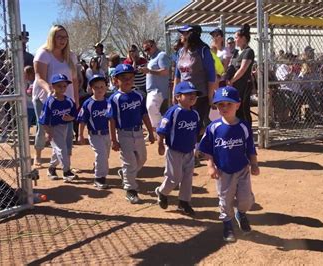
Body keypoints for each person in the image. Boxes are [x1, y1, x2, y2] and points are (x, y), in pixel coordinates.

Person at [199, 86, 259, 242]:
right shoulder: (214, 127)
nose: (224, 107)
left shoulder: (244, 126)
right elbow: (207, 149)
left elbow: (250, 147)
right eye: (221, 104)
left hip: (242, 169)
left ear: (238, 105)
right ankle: (227, 224)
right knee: (225, 200)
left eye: (229, 104)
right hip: (223, 171)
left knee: (246, 200)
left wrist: (254, 164)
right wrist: (210, 165)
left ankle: (241, 213)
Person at [32, 25, 79, 167]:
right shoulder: (43, 53)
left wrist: (76, 100)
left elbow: (75, 80)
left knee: (67, 130)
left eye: (65, 37)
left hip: (66, 99)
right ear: (52, 37)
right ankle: (38, 154)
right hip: (44, 98)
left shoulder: (71, 56)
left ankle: (66, 163)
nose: (63, 40)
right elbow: (39, 77)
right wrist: (49, 90)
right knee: (44, 128)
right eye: (59, 37)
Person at [108, 64, 155, 204]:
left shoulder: (138, 96)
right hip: (124, 134)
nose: (127, 80)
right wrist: (113, 139)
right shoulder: (115, 98)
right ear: (116, 80)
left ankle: (125, 174)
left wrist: (151, 132)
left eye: (130, 77)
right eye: (123, 78)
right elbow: (111, 119)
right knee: (129, 163)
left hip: (139, 132)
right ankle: (130, 189)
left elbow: (144, 114)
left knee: (142, 159)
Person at [155, 81, 201, 216]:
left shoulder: (195, 114)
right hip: (174, 150)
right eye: (188, 94)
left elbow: (196, 132)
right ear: (177, 97)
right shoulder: (174, 112)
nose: (192, 96)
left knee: (187, 177)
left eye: (194, 94)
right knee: (174, 177)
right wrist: (160, 144)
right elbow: (162, 129)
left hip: (189, 151)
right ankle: (162, 192)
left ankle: (184, 202)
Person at [174, 24, 216, 136]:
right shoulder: (181, 51)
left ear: (191, 34)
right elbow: (177, 75)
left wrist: (210, 97)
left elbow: (212, 76)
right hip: (183, 96)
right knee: (185, 125)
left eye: (184, 33)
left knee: (197, 128)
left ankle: (198, 150)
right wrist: (175, 94)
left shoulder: (203, 51)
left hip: (199, 97)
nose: (181, 35)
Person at [39, 74, 78, 181]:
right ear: (53, 86)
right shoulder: (50, 101)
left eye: (64, 86)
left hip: (65, 127)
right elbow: (43, 119)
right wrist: (48, 132)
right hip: (53, 128)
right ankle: (66, 171)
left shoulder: (68, 101)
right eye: (59, 86)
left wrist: (70, 118)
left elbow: (75, 114)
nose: (62, 88)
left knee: (57, 150)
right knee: (62, 149)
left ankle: (51, 168)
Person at [77, 74, 111, 189]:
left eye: (102, 87)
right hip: (95, 134)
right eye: (96, 87)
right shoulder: (88, 103)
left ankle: (97, 167)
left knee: (105, 156)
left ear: (106, 88)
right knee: (101, 155)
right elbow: (82, 120)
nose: (100, 89)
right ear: (91, 89)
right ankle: (99, 178)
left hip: (107, 134)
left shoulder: (108, 102)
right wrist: (81, 135)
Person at [139, 40, 170, 132]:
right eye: (145, 50)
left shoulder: (161, 55)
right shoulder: (152, 58)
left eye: (148, 48)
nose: (147, 51)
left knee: (151, 107)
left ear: (154, 45)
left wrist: (149, 71)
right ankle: (160, 130)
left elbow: (165, 71)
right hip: (151, 90)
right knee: (153, 111)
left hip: (158, 90)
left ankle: (161, 130)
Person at [227, 24, 255, 124]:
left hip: (244, 85)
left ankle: (247, 131)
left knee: (243, 108)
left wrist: (232, 81)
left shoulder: (248, 51)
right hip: (235, 85)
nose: (235, 40)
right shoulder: (236, 52)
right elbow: (232, 66)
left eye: (236, 37)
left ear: (243, 38)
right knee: (236, 109)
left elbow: (242, 69)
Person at [23, 66, 36, 130]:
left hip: (35, 105)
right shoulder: (25, 82)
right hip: (27, 106)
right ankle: (26, 137)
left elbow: (29, 93)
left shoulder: (35, 82)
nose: (24, 75)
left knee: (39, 123)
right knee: (26, 123)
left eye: (25, 74)